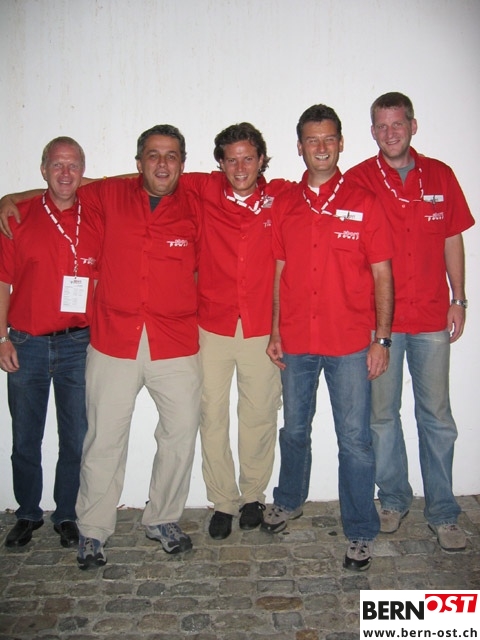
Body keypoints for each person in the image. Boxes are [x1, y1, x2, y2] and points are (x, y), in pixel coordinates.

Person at [0, 125, 202, 569]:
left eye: (171, 156)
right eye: (153, 155)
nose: (162, 163)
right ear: (138, 162)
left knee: (181, 433)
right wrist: (8, 197)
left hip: (175, 342)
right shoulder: (109, 195)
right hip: (113, 340)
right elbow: (63, 187)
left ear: (182, 163)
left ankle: (163, 518)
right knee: (103, 438)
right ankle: (92, 529)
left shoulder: (197, 202)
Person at [262, 104, 394, 571]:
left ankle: (360, 529)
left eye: (329, 139)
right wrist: (275, 330)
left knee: (354, 439)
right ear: (300, 147)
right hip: (297, 339)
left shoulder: (366, 202)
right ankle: (289, 499)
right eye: (312, 140)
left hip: (350, 342)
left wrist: (382, 339)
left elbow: (382, 274)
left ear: (340, 143)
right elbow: (279, 271)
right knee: (295, 429)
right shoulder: (285, 204)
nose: (321, 147)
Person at [346, 92, 475, 552]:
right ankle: (394, 499)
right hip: (381, 324)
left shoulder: (441, 175)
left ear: (413, 126)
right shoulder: (358, 180)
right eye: (381, 126)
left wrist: (459, 298)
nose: (390, 133)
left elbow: (452, 238)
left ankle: (443, 512)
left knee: (436, 416)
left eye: (397, 124)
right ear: (372, 131)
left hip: (431, 317)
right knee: (382, 416)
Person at [0, 137, 102, 549]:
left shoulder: (97, 217)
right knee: (26, 437)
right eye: (57, 164)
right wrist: (1, 337)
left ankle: (66, 514)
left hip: (79, 344)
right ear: (43, 169)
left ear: (83, 171)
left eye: (73, 165)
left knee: (76, 437)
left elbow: (130, 182)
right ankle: (27, 513)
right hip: (26, 344)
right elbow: (2, 282)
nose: (65, 173)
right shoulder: (17, 216)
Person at [183, 123, 282, 539]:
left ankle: (253, 496)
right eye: (232, 159)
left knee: (259, 413)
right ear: (220, 163)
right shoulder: (203, 189)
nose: (240, 167)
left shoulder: (282, 196)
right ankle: (223, 500)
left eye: (248, 158)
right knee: (211, 414)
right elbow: (142, 178)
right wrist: (21, 196)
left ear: (261, 160)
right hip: (213, 325)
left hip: (261, 328)